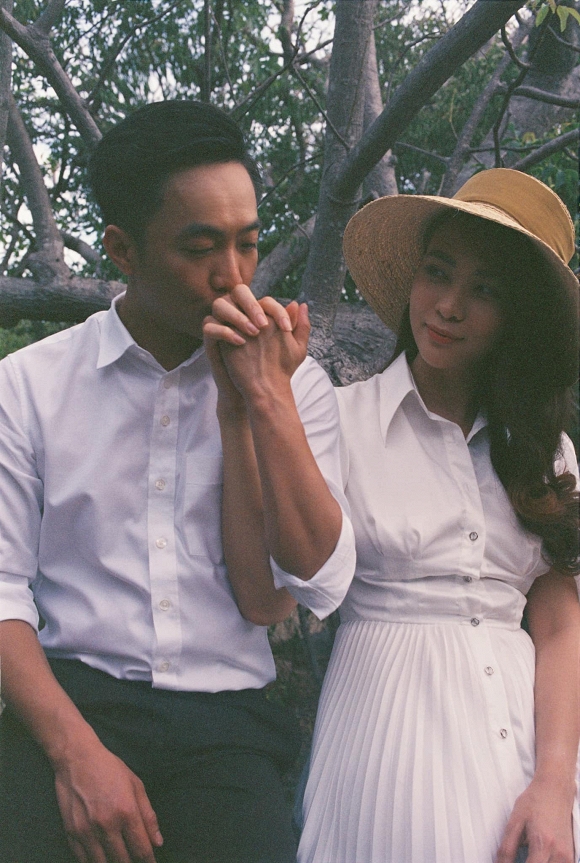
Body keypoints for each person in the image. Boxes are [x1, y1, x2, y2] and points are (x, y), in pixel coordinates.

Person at [0, 100, 356, 863]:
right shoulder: (28, 387)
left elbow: (298, 588)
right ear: (122, 249)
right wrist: (75, 753)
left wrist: (260, 402)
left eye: (247, 242)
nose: (233, 275)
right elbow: (2, 593)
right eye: (200, 247)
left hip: (227, 726)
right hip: (72, 702)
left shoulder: (297, 385)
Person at [206, 168, 580, 863]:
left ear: (518, 317)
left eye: (485, 290)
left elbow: (559, 624)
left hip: (530, 752)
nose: (449, 306)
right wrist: (264, 398)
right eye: (437, 273)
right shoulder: (340, 420)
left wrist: (556, 781)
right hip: (392, 739)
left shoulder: (545, 452)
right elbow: (294, 581)